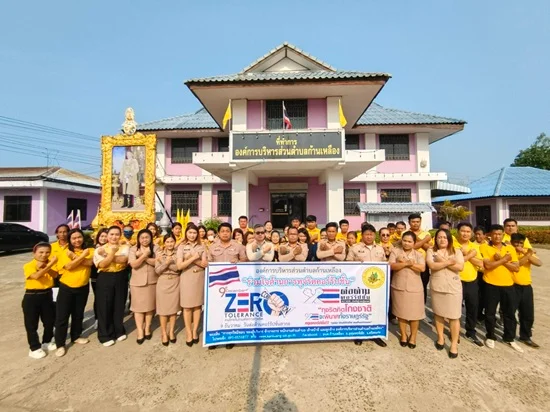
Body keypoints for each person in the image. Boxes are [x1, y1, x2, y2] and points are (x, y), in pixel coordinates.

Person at [479, 224, 522, 352]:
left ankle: (509, 338)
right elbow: (488, 266)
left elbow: (516, 268)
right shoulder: (485, 247)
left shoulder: (510, 248)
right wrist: (504, 260)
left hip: (508, 285)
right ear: (490, 235)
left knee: (510, 313)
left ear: (503, 235)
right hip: (491, 284)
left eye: (499, 234)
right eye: (495, 234)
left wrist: (504, 260)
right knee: (490, 312)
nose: (497, 236)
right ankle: (490, 336)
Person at [53, 229, 93, 356]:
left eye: (79, 237)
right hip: (67, 287)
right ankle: (60, 344)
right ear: (70, 240)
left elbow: (90, 263)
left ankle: (76, 336)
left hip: (83, 287)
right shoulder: (65, 251)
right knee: (62, 316)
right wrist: (81, 256)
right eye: (74, 238)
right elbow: (69, 266)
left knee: (78, 313)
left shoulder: (89, 250)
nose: (77, 240)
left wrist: (76, 257)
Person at [207, 222, 247, 350]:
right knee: (216, 311)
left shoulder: (238, 246)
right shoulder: (212, 247)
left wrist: (239, 262)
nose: (225, 233)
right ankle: (215, 337)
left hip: (233, 284)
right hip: (216, 284)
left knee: (231, 312)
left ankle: (230, 337)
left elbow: (245, 260)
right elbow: (208, 263)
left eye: (227, 231)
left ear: (231, 232)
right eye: (222, 231)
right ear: (218, 233)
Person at [347, 224, 388, 347]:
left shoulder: (380, 248)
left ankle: (375, 334)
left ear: (374, 235)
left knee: (376, 309)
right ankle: (359, 334)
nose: (369, 237)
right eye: (366, 234)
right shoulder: (354, 248)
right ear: (362, 235)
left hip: (377, 285)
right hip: (360, 285)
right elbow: (348, 264)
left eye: (371, 234)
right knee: (360, 309)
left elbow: (384, 264)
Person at [427, 229, 464, 358]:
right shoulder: (431, 251)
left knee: (454, 316)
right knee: (439, 314)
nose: (442, 239)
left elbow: (460, 267)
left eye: (444, 237)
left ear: (449, 239)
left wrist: (441, 260)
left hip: (453, 287)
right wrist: (448, 262)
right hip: (438, 287)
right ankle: (440, 338)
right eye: (439, 237)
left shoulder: (456, 251)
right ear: (435, 239)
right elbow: (432, 266)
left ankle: (453, 344)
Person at [93, 226, 130, 347]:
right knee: (104, 305)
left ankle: (119, 330)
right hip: (105, 277)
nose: (114, 237)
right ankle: (105, 334)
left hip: (120, 276)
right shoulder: (100, 249)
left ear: (120, 235)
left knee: (119, 304)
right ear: (107, 236)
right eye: (111, 234)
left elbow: (123, 260)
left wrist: (107, 255)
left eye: (117, 234)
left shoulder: (125, 247)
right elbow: (103, 264)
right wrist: (113, 253)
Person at [389, 231, 426, 349]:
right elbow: (391, 265)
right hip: (398, 286)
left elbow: (422, 268)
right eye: (404, 240)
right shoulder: (395, 251)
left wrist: (406, 264)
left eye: (410, 241)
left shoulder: (418, 254)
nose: (406, 243)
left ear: (414, 243)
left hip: (415, 288)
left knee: (415, 314)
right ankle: (404, 335)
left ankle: (413, 336)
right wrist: (406, 264)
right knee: (401, 313)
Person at [22, 243, 58, 359]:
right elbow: (36, 276)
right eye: (41, 252)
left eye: (47, 252)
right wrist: (50, 264)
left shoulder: (49, 263)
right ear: (34, 253)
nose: (44, 255)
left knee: (49, 321)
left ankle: (47, 341)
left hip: (47, 294)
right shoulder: (29, 265)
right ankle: (34, 347)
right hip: (32, 296)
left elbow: (55, 275)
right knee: (32, 324)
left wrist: (48, 265)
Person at [177, 224, 208, 347]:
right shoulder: (181, 247)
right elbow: (180, 266)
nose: (192, 235)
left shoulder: (202, 246)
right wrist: (193, 258)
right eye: (190, 232)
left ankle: (195, 331)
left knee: (197, 306)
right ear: (186, 233)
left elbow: (204, 264)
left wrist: (192, 259)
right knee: (187, 307)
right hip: (186, 277)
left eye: (194, 233)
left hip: (199, 277)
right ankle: (188, 332)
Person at [511, 233, 542, 348]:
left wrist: (526, 253)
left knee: (528, 314)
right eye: (516, 243)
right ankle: (509, 336)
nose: (518, 245)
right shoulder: (510, 253)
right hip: (513, 286)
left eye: (521, 243)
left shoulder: (525, 252)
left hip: (527, 286)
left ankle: (525, 336)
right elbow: (517, 265)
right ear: (512, 243)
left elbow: (539, 263)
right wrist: (528, 254)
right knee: (510, 313)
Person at [455, 223, 484, 346]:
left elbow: (481, 264)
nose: (465, 234)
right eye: (463, 231)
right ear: (458, 231)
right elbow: (455, 261)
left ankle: (470, 332)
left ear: (471, 233)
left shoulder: (474, 246)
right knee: (455, 309)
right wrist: (470, 255)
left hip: (472, 281)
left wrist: (467, 254)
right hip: (456, 280)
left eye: (468, 231)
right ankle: (454, 332)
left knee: (472, 307)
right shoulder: (452, 244)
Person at [128, 229, 159, 345]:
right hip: (137, 282)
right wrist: (145, 255)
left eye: (147, 237)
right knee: (138, 308)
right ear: (138, 239)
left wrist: (142, 257)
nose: (145, 240)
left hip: (152, 281)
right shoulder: (133, 249)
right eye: (142, 238)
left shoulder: (155, 248)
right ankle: (140, 331)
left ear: (151, 238)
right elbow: (134, 264)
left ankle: (147, 328)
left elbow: (157, 262)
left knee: (150, 307)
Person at [155, 234, 181, 346]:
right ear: (164, 243)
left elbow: (178, 268)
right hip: (163, 282)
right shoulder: (159, 254)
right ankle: (164, 333)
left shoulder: (178, 253)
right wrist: (165, 262)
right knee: (163, 310)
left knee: (173, 309)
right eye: (167, 242)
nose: (170, 244)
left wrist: (165, 263)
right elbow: (157, 271)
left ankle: (171, 331)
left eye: (172, 241)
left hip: (175, 281)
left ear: (175, 242)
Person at [408, 213, 432, 304]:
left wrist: (416, 238)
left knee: (423, 286)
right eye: (413, 222)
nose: (415, 224)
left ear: (421, 222)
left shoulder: (426, 233)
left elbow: (429, 248)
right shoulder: (405, 233)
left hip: (423, 265)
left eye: (417, 222)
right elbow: (411, 247)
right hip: (410, 264)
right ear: (409, 222)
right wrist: (425, 240)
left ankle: (422, 307)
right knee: (410, 287)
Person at [90, 228, 108, 329]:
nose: (103, 238)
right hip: (96, 277)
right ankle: (97, 318)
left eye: (105, 236)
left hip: (108, 276)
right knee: (98, 298)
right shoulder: (92, 248)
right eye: (101, 236)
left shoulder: (111, 248)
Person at [474, 225, 487, 321]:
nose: (477, 236)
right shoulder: (472, 246)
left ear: (485, 235)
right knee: (478, 296)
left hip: (488, 273)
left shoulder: (489, 245)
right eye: (476, 234)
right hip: (477, 274)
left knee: (486, 296)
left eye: (480, 234)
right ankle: (478, 315)